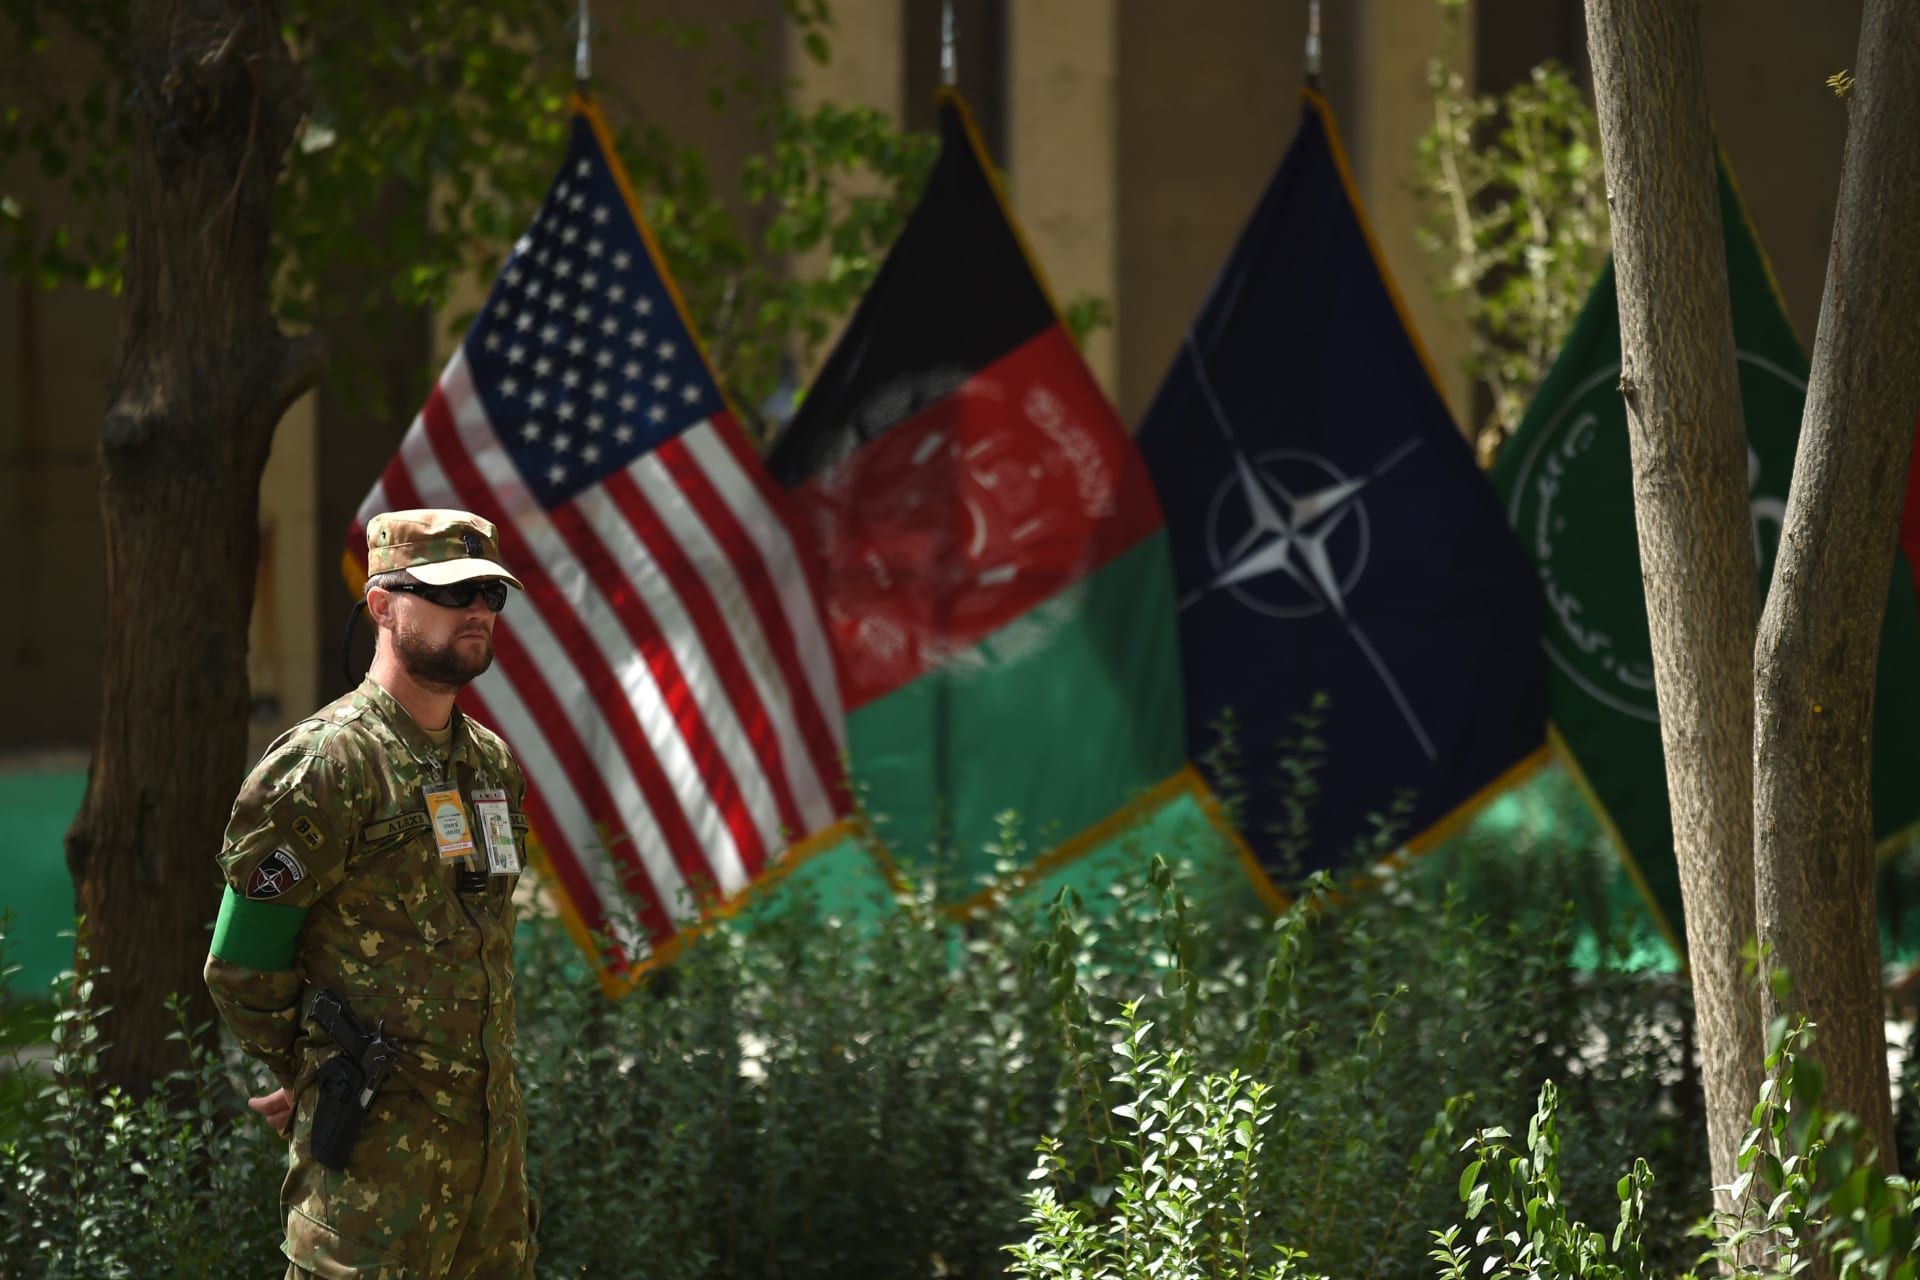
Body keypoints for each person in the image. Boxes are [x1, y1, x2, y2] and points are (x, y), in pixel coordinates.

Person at [204, 509, 537, 1279]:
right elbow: (240, 961)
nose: (479, 609)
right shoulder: (326, 765)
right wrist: (314, 1069)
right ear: (382, 604)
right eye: (452, 592)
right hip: (372, 1202)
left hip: (488, 1202)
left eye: (491, 591)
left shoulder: (490, 765)